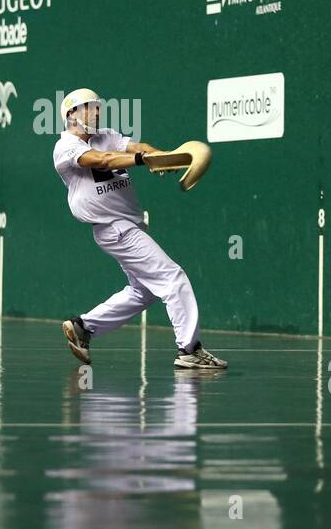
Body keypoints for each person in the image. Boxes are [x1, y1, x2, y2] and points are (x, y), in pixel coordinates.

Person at [52, 88, 227, 370]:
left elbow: (136, 147)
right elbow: (102, 160)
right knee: (173, 278)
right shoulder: (65, 147)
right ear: (72, 114)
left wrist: (167, 157)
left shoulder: (106, 134)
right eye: (90, 107)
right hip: (115, 228)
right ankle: (190, 350)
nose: (97, 111)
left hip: (129, 226)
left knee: (143, 292)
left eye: (98, 107)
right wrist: (142, 161)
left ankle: (83, 327)